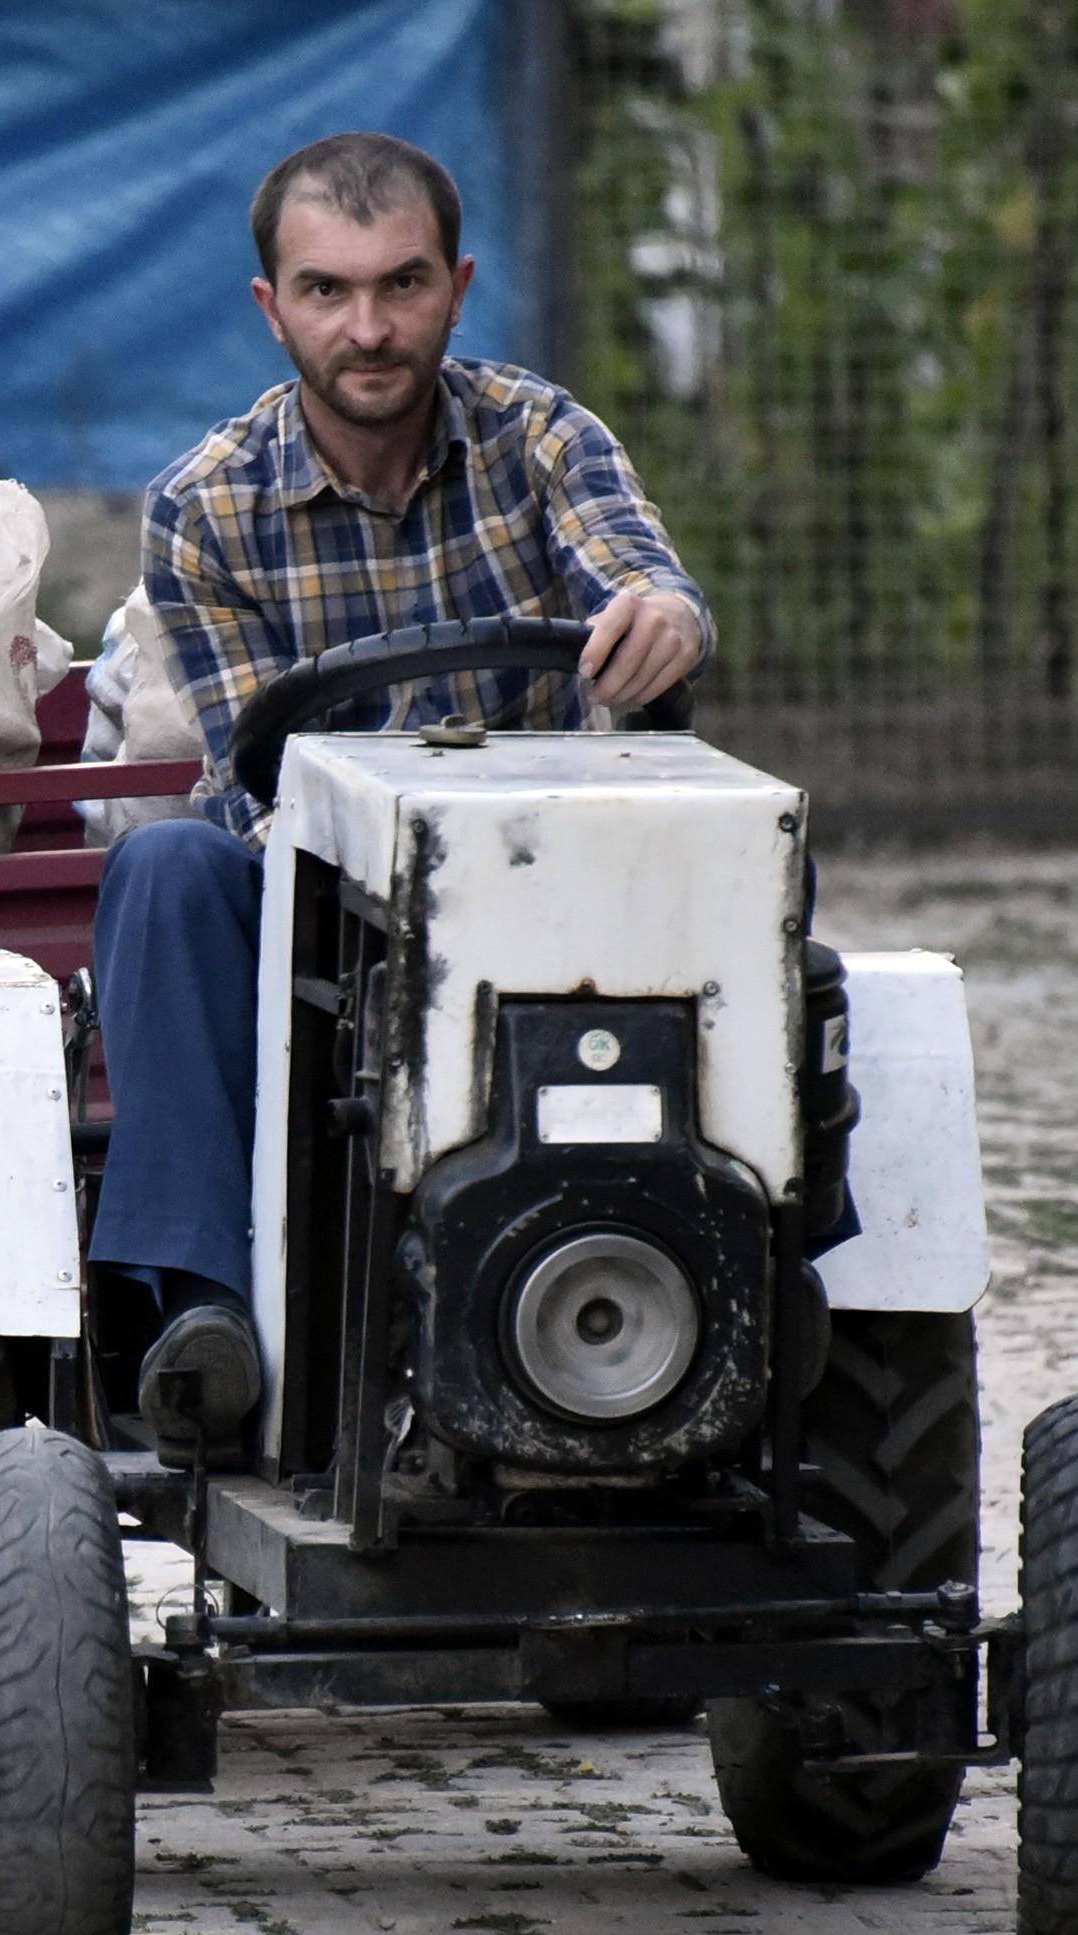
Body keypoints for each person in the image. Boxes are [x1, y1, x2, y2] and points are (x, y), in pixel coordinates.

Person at [96, 131, 712, 1464]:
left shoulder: (541, 437)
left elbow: (636, 574)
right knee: (166, 873)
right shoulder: (201, 511)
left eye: (401, 286)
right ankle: (202, 1312)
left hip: (561, 888)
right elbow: (247, 780)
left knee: (777, 887)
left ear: (459, 284)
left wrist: (661, 621)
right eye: (326, 291)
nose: (366, 328)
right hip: (324, 911)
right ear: (271, 306)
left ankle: (771, 1264)